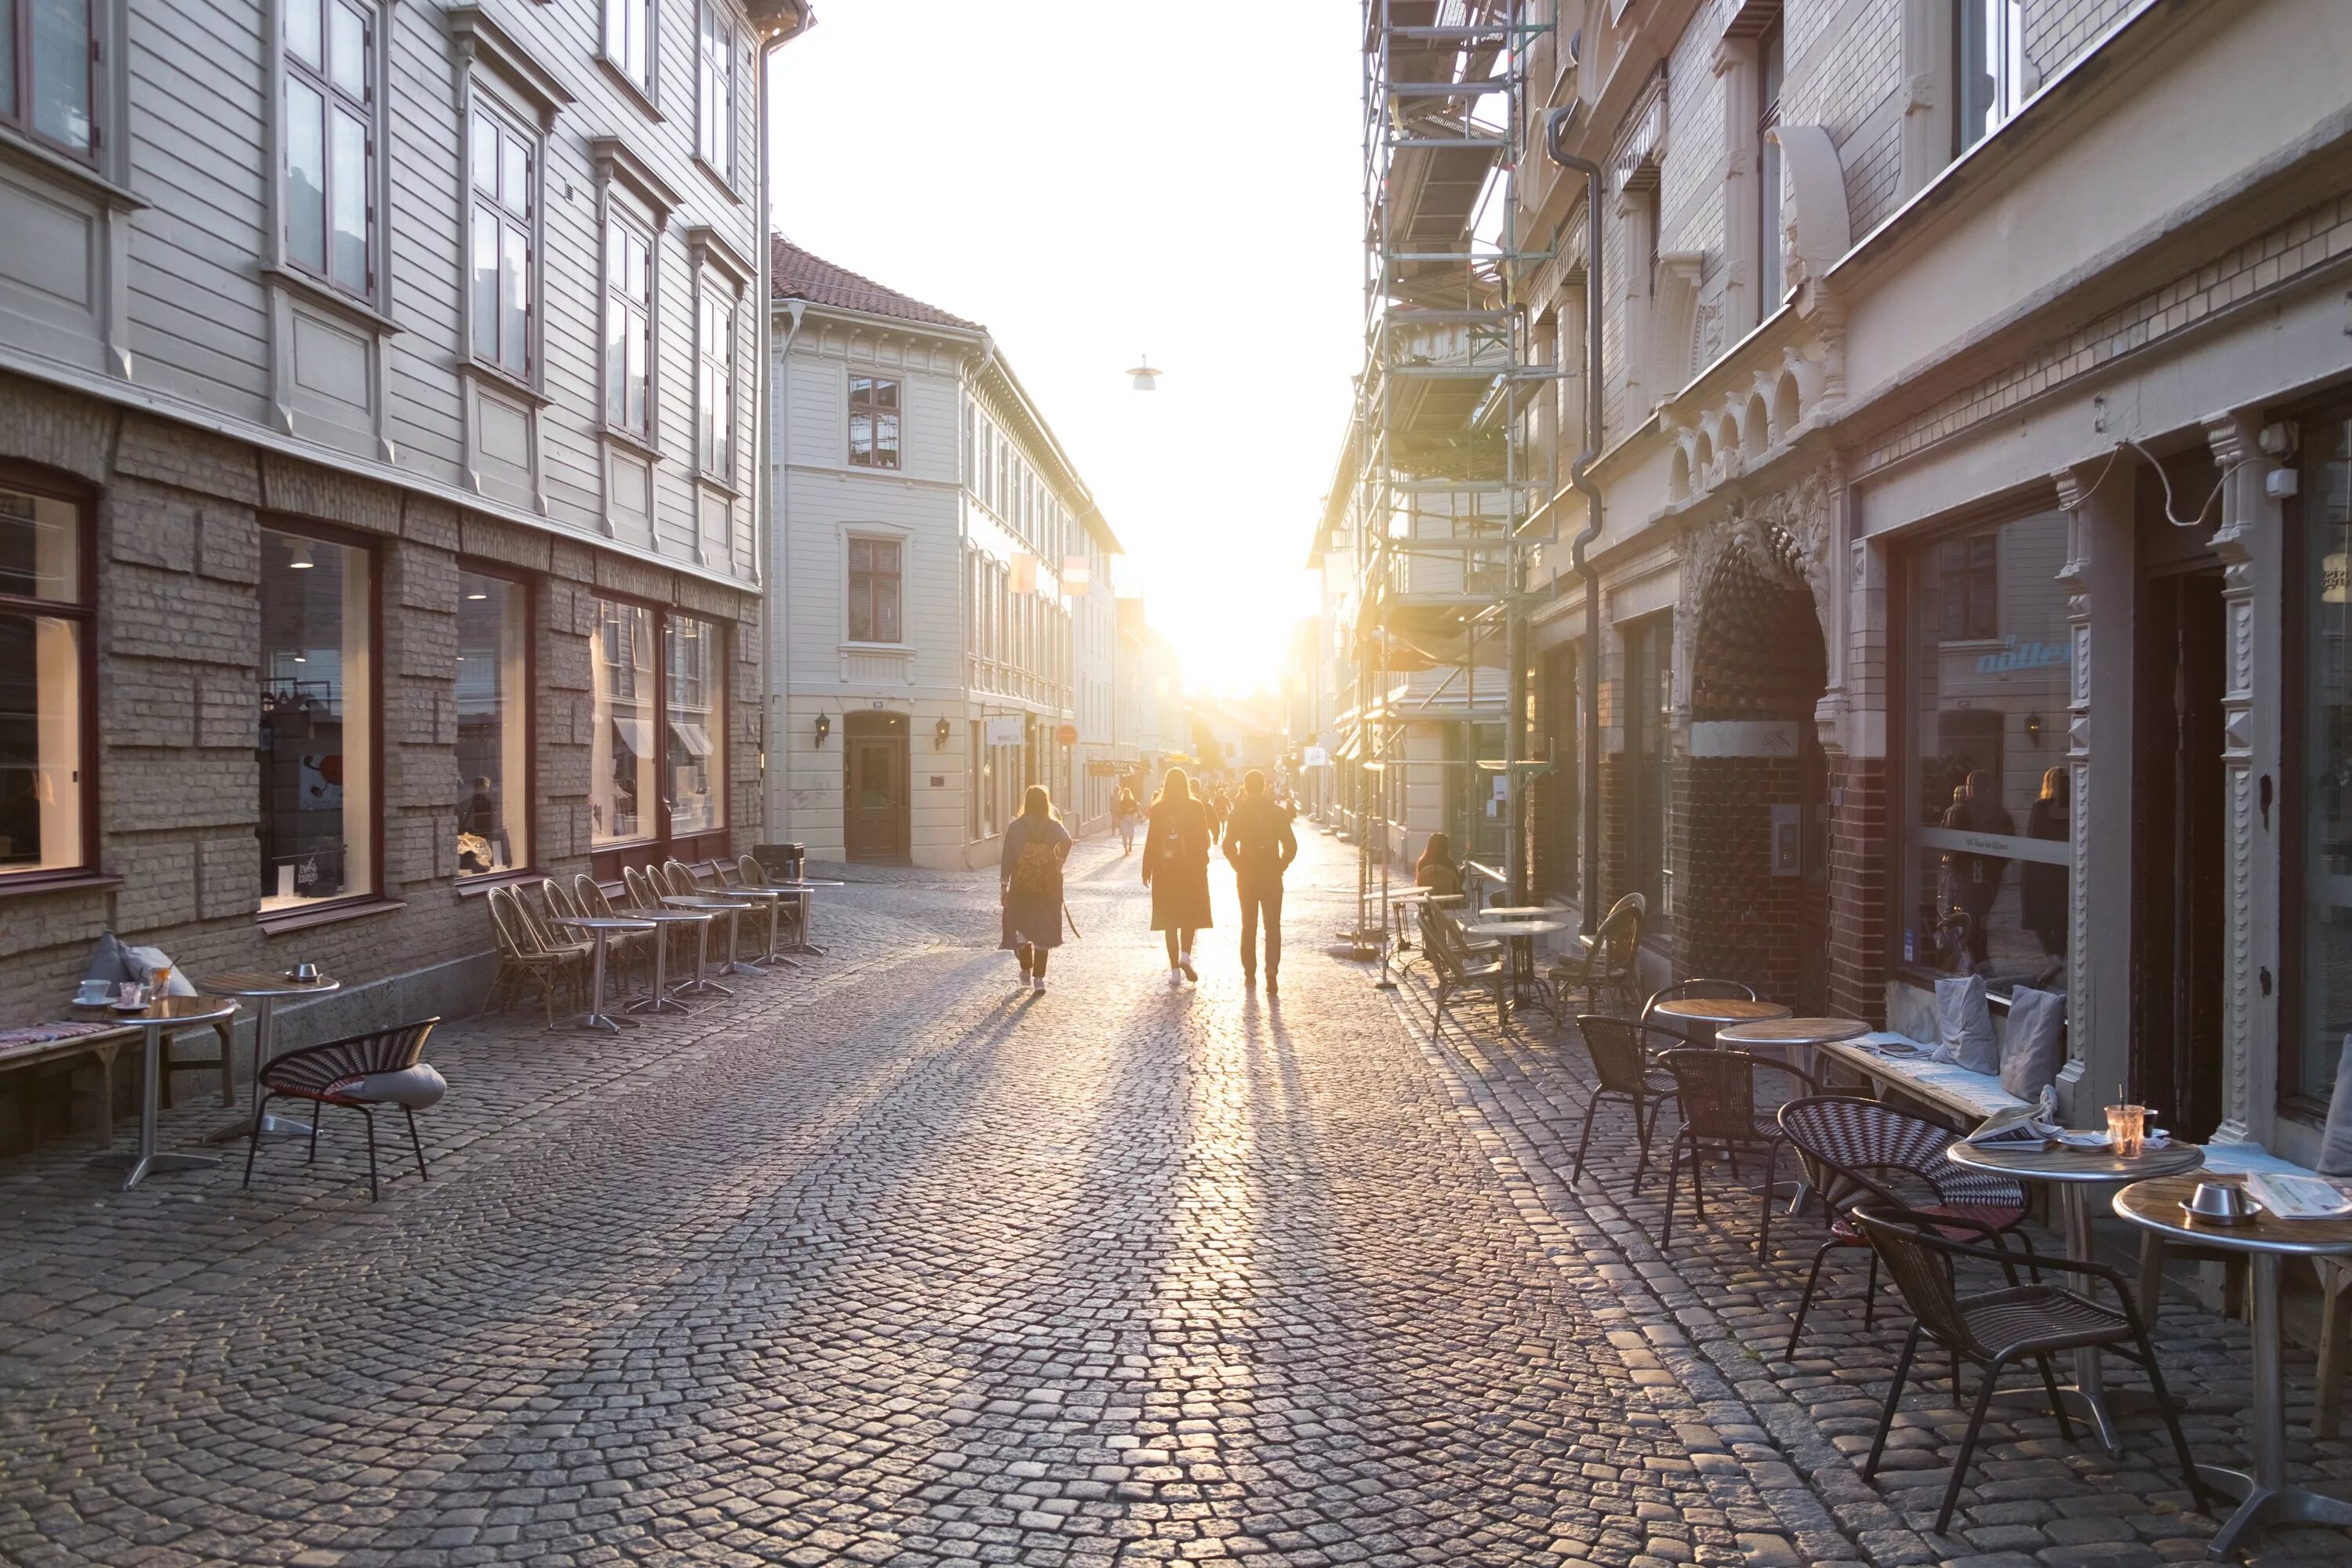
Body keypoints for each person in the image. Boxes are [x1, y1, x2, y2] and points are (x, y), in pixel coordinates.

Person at [1224, 769, 1298, 993]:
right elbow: (1291, 846)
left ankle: (1249, 973)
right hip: (1271, 876)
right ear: (1264, 787)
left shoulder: (1238, 812)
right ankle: (1271, 970)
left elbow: (1228, 846)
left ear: (1245, 788)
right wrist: (1281, 865)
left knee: (1248, 925)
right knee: (1273, 926)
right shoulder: (1276, 812)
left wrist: (1239, 866)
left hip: (1247, 877)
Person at [1142, 765, 1214, 983]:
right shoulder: (1195, 806)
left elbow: (1152, 840)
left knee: (1170, 920)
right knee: (1189, 915)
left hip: (1165, 872)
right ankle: (1185, 956)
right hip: (1190, 871)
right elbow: (1204, 841)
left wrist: (1147, 869)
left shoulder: (1158, 808)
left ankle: (1174, 972)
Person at [1000, 785, 1073, 993]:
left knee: (1021, 927)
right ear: (1045, 802)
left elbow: (1007, 857)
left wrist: (1004, 885)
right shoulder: (1053, 825)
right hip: (1047, 886)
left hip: (1021, 886)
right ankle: (1039, 979)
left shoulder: (1016, 826)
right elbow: (1067, 841)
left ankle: (1025, 969)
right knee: (1043, 930)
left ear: (1026, 801)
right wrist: (1059, 861)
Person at [1940, 768, 2016, 967]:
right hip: (1988, 877)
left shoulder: (1960, 811)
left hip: (1965, 875)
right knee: (1978, 918)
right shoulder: (2000, 813)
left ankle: (1968, 959)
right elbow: (2009, 846)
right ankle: (1978, 959)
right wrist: (1995, 868)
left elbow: (1947, 840)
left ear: (1969, 788)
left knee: (1966, 918)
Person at [2020, 766, 2070, 963]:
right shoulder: (2075, 807)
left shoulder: (2041, 807)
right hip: (2065, 869)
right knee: (2061, 917)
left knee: (2040, 914)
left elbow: (2033, 838)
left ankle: (2053, 956)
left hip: (2043, 870)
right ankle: (2059, 954)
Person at [1415, 831, 1462, 898]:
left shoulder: (1422, 863)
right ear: (1446, 847)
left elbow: (1419, 885)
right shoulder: (1449, 863)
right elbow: (1458, 883)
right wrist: (1463, 872)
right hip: (1449, 900)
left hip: (1428, 901)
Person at [1112, 783, 1140, 855]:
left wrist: (1132, 811)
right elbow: (1120, 810)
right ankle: (1125, 849)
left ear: (1129, 794)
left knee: (1131, 834)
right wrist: (1119, 818)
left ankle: (1130, 844)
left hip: (1130, 818)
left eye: (1127, 793)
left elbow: (1135, 809)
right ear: (1123, 794)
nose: (1126, 795)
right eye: (1125, 793)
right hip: (1123, 819)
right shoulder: (1122, 802)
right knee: (1124, 834)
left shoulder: (1133, 801)